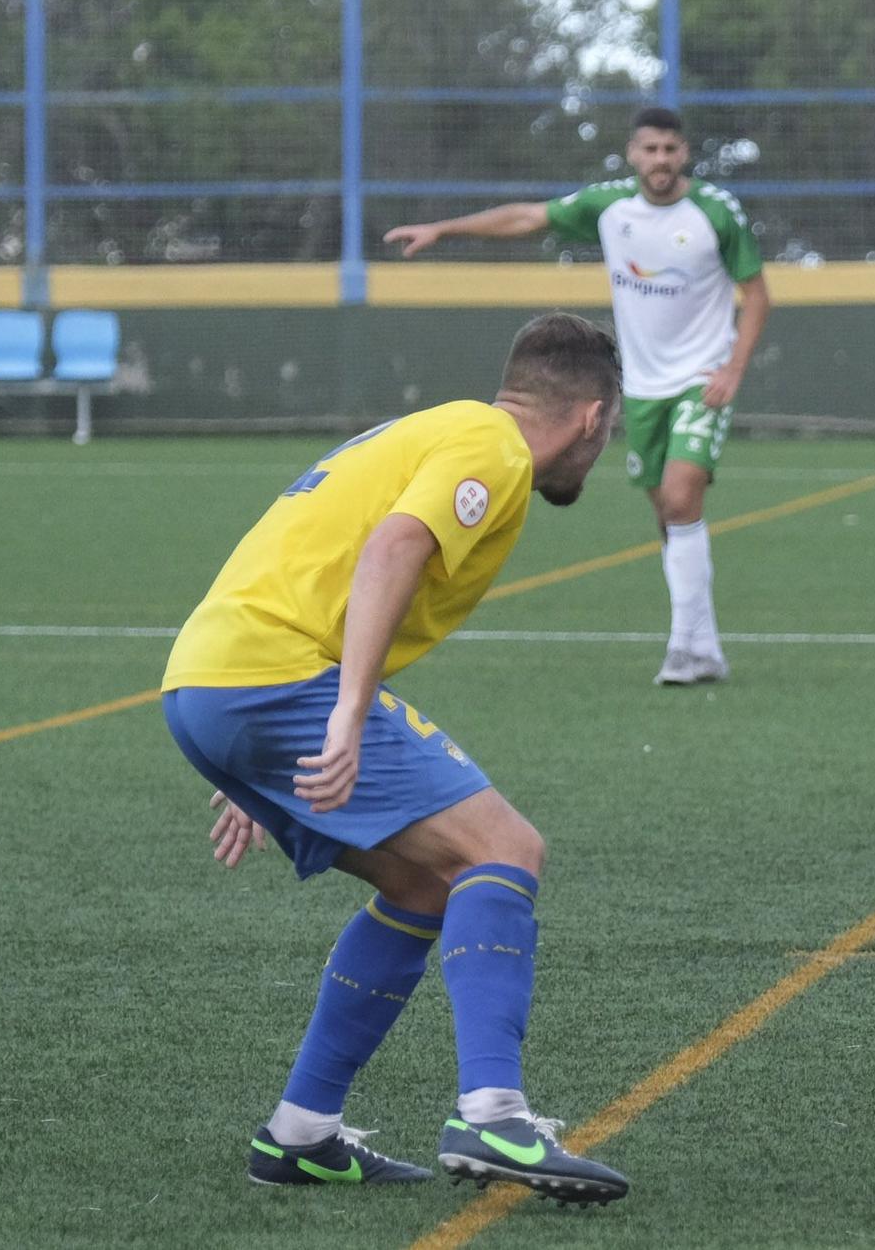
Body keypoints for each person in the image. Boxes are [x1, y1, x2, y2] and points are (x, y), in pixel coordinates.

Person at [162, 312, 632, 1199]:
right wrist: (341, 712)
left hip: (210, 681)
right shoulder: (492, 448)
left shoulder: (445, 426)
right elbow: (394, 546)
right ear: (592, 416)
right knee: (505, 849)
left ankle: (302, 1131)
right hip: (274, 678)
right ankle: (493, 1115)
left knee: (424, 882)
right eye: (608, 432)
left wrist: (255, 752)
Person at [384, 106, 770, 686]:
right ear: (633, 154)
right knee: (667, 512)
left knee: (681, 492)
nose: (660, 160)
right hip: (641, 386)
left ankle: (688, 649)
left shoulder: (716, 211)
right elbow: (527, 218)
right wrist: (445, 229)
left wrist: (734, 368)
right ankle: (704, 641)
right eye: (650, 150)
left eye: (670, 150)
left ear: (684, 153)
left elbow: (758, 293)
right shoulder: (610, 207)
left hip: (702, 377)